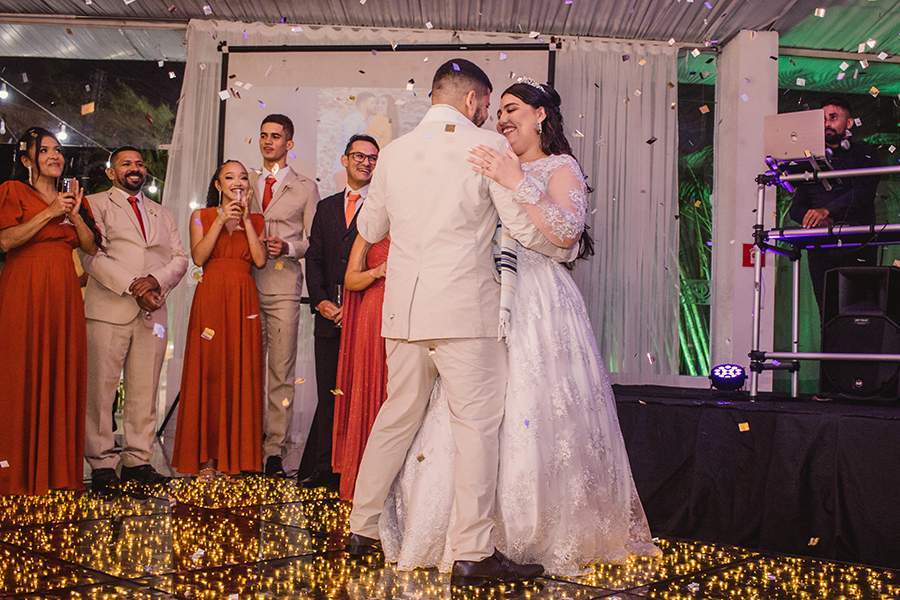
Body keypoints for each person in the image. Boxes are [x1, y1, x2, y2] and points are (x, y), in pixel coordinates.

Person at [378, 80, 661, 576]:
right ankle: (468, 536)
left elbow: (567, 234)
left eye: (512, 110)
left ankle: (532, 530)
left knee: (530, 410)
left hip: (540, 302)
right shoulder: (485, 157)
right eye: (498, 111)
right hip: (484, 298)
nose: (502, 119)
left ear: (541, 116)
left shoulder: (560, 167)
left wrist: (517, 181)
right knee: (474, 415)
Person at [345, 59, 576, 588]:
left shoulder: (396, 152)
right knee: (476, 427)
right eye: (488, 105)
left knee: (395, 416)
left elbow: (372, 224)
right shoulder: (486, 148)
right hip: (464, 313)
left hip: (402, 311)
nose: (490, 116)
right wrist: (558, 247)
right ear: (474, 101)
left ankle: (361, 529)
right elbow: (519, 223)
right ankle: (472, 552)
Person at [0, 127, 102, 495]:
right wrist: (49, 213)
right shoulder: (11, 191)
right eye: (44, 151)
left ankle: (58, 471)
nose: (55, 156)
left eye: (58, 150)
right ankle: (16, 470)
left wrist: (72, 213)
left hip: (63, 289)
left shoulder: (74, 197)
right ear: (27, 160)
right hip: (24, 286)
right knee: (20, 369)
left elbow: (90, 247)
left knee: (61, 369)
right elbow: (6, 239)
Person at [80, 146, 188, 492]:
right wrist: (132, 285)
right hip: (108, 310)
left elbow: (180, 258)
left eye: (139, 163)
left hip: (152, 310)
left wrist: (155, 282)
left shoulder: (162, 213)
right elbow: (90, 256)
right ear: (112, 173)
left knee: (144, 389)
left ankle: (138, 461)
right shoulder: (94, 204)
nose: (135, 168)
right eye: (126, 163)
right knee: (100, 391)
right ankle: (101, 463)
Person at [172, 160, 267, 481]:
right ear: (218, 185)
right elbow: (198, 257)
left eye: (242, 177)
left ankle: (237, 458)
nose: (237, 182)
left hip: (243, 298)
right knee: (209, 373)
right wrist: (222, 219)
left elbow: (260, 259)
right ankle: (207, 459)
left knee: (241, 371)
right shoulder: (201, 215)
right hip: (211, 297)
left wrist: (248, 221)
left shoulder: (257, 219)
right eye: (230, 177)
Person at [302, 134, 380, 490]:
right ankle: (325, 467)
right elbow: (314, 259)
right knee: (328, 391)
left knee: (359, 392)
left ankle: (357, 465)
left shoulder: (382, 208)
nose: (366, 162)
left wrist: (356, 306)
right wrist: (320, 301)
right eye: (359, 156)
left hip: (364, 315)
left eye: (373, 158)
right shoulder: (327, 207)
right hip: (328, 314)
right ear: (345, 160)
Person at [248, 114, 320, 478]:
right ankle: (244, 446)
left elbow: (313, 240)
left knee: (280, 371)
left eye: (275, 136)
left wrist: (289, 246)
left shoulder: (305, 187)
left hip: (282, 288)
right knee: (245, 370)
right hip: (243, 286)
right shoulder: (242, 181)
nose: (267, 142)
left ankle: (274, 449)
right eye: (263, 135)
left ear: (289, 144)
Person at [788, 97, 881, 317]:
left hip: (858, 242)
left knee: (860, 314)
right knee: (827, 314)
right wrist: (815, 218)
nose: (827, 123)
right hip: (822, 247)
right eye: (822, 119)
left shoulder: (866, 155)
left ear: (849, 124)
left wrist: (827, 210)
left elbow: (863, 193)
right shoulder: (810, 162)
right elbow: (797, 207)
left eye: (833, 117)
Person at [333, 93, 377, 189]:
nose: (376, 106)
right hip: (346, 170)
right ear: (363, 105)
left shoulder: (368, 122)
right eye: (372, 102)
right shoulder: (352, 120)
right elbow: (347, 144)